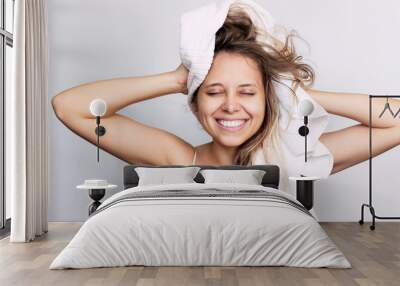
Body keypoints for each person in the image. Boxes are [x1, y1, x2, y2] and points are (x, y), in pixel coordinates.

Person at [51, 6, 400, 177]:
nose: (231, 106)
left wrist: (296, 93)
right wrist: (176, 80)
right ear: (194, 103)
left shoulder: (297, 159)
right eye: (214, 91)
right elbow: (70, 106)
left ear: (269, 101)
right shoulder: (179, 159)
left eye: (248, 93)